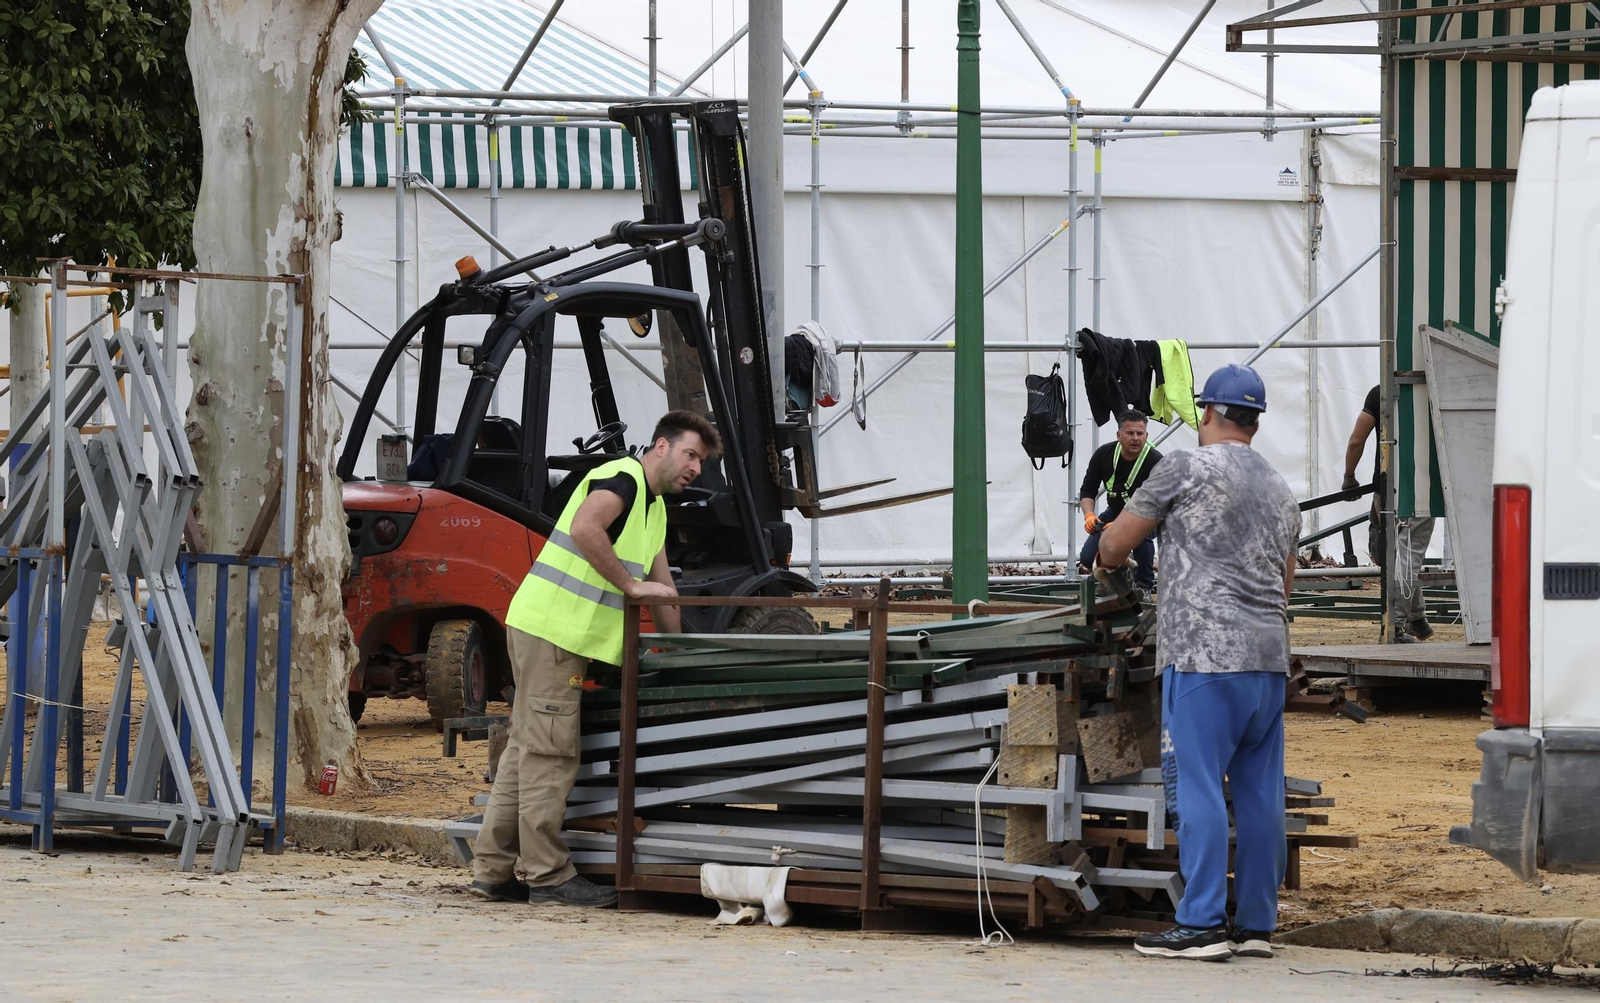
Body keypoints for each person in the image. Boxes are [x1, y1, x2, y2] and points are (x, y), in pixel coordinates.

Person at [470, 410, 720, 908]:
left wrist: (680, 651)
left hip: (551, 631)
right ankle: (547, 877)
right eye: (691, 454)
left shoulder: (655, 510)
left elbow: (663, 589)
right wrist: (627, 586)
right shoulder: (621, 478)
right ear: (661, 446)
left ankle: (492, 870)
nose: (696, 468)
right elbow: (587, 528)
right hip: (555, 633)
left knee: (526, 750)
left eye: (703, 462)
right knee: (550, 754)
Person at [1098, 364, 1301, 962]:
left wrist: (1108, 549)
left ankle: (1202, 921)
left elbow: (1115, 545)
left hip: (1204, 657)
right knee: (1261, 794)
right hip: (1267, 661)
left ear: (1206, 413)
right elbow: (1285, 581)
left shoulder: (1183, 467)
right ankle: (1258, 925)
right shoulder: (1279, 486)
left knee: (1199, 784)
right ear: (1256, 422)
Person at [1341, 384, 1435, 643]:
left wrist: (1349, 477)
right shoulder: (1434, 389)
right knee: (1409, 553)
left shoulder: (1380, 392)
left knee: (1401, 554)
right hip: (1422, 485)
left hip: (1386, 487)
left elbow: (1356, 440)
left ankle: (1413, 619)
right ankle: (1400, 621)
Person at [1078, 409, 1162, 590]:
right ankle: (1120, 572)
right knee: (1087, 557)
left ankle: (1144, 584)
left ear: (1146, 435)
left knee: (1141, 536)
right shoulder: (1104, 455)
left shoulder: (1155, 461)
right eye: (1130, 433)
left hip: (1148, 517)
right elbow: (1087, 490)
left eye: (1140, 434)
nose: (1135, 438)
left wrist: (1121, 527)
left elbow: (1158, 503)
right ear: (1119, 434)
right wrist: (1089, 515)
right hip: (1115, 513)